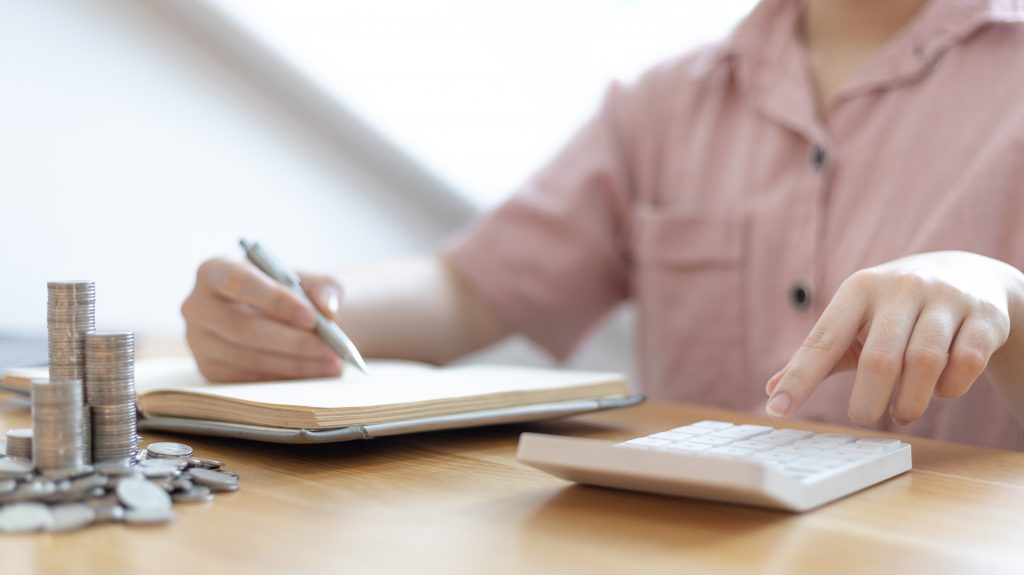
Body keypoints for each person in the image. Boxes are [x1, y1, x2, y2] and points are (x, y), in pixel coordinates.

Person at [181, 0, 1024, 450]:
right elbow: (472, 286)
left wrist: (1004, 300)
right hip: (682, 545)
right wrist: (285, 308)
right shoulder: (662, 101)